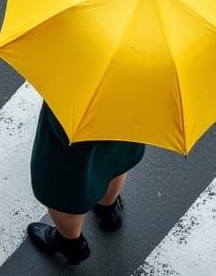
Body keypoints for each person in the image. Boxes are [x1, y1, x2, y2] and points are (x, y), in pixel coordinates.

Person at [26, 100, 145, 265]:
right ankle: (108, 212)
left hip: (78, 117)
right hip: (129, 109)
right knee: (116, 154)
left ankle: (71, 244)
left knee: (62, 185)